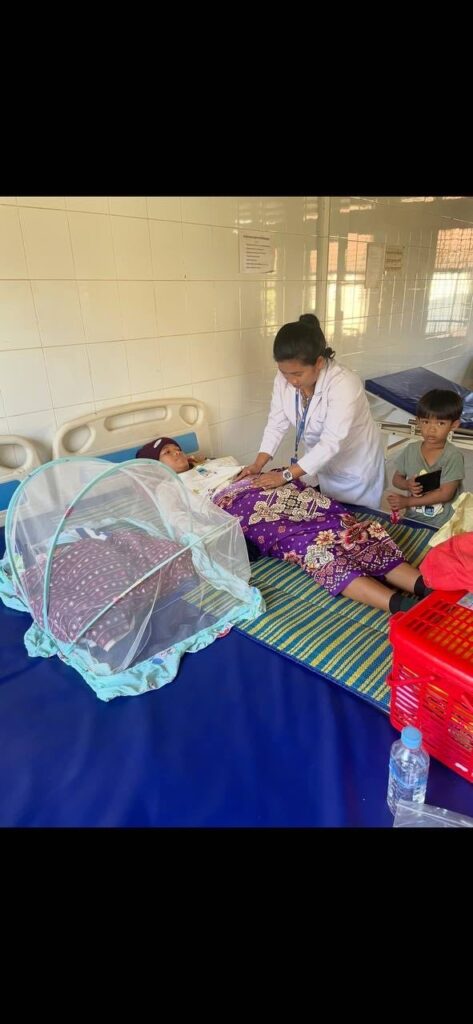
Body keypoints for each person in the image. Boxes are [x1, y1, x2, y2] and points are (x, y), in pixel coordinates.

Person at [145, 438, 432, 616]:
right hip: (246, 510)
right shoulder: (167, 487)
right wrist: (217, 536)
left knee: (345, 526)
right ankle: (401, 605)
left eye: (177, 447)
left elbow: (251, 472)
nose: (177, 452)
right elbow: (179, 522)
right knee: (310, 546)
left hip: (276, 489)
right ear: (152, 466)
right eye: (167, 452)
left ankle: (424, 586)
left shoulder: (218, 463)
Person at [236, 313, 385, 507]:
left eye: (298, 374)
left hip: (354, 471)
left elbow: (331, 442)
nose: (291, 381)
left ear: (319, 362)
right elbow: (276, 424)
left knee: (355, 522)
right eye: (284, 373)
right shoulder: (284, 379)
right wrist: (257, 464)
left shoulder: (344, 384)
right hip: (318, 465)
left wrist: (285, 475)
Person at [387, 389, 464, 528]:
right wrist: (407, 484)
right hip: (413, 518)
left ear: (454, 425)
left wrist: (407, 502)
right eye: (426, 422)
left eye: (440, 423)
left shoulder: (453, 456)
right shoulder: (410, 450)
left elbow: (446, 494)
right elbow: (397, 479)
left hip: (442, 524)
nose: (431, 429)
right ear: (418, 421)